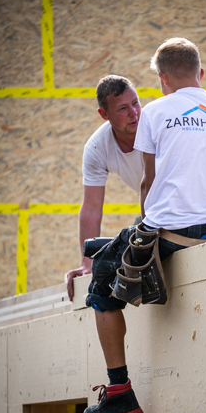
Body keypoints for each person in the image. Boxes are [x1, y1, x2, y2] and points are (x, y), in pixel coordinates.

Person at [82, 37, 206, 413]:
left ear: (162, 78)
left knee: (100, 288)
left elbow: (149, 184)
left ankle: (119, 394)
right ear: (200, 73)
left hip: (173, 230)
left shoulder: (155, 112)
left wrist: (141, 234)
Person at [66, 75, 143, 301]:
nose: (134, 113)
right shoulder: (97, 147)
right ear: (104, 115)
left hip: (194, 202)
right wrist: (86, 263)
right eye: (122, 108)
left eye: (136, 103)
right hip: (155, 211)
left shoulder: (156, 125)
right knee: (105, 274)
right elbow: (91, 208)